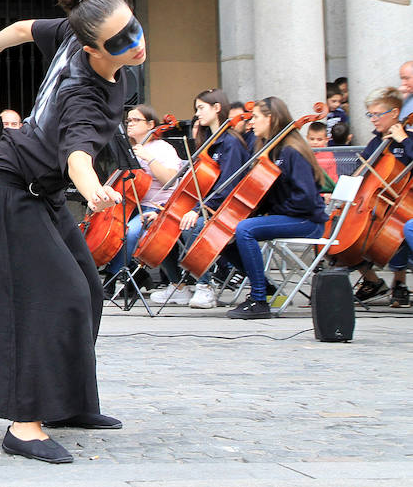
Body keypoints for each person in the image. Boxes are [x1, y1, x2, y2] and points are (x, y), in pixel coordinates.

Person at [0, 0, 145, 464]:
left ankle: (71, 403)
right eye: (122, 41)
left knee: (87, 287)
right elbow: (78, 158)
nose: (136, 43)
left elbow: (24, 27)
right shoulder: (83, 91)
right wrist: (93, 192)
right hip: (9, 189)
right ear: (92, 47)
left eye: (135, 28)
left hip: (36, 191)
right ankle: (24, 425)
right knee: (53, 295)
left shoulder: (72, 31)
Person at [213, 97, 328, 319]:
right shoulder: (272, 150)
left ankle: (259, 300)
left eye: (255, 117)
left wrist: (275, 211)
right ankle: (266, 287)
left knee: (245, 229)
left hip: (307, 221)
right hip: (289, 215)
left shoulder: (291, 151)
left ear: (271, 118)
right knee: (225, 235)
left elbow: (305, 199)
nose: (250, 123)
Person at [149, 88, 251, 309]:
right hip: (210, 206)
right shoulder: (209, 142)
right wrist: (164, 208)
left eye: (201, 108)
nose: (197, 114)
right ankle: (178, 285)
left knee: (192, 226)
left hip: (228, 209)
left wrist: (197, 210)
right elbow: (196, 187)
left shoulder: (230, 142)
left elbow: (227, 187)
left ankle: (205, 287)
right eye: (196, 109)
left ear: (217, 108)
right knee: (161, 222)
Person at [103, 105, 182, 288]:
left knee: (129, 233)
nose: (130, 124)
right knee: (110, 232)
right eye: (128, 120)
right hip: (133, 205)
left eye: (135, 120)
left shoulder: (163, 148)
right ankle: (137, 276)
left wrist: (149, 158)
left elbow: (170, 180)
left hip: (157, 207)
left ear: (150, 124)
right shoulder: (130, 149)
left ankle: (112, 278)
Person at [350, 87, 412, 307]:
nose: (373, 119)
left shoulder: (408, 139)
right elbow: (360, 169)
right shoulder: (376, 143)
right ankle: (372, 281)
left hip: (404, 203)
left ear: (395, 113)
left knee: (398, 226)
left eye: (377, 114)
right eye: (370, 115)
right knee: (347, 235)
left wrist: (404, 139)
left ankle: (400, 283)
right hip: (378, 203)